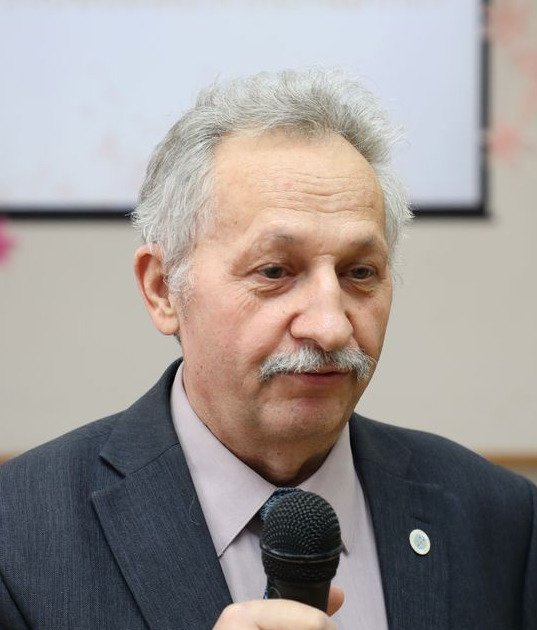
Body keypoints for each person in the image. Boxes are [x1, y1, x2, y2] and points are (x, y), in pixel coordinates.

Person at [0, 69, 535, 630]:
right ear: (162, 289)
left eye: (359, 272)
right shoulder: (19, 534)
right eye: (275, 271)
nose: (331, 327)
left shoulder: (498, 518)